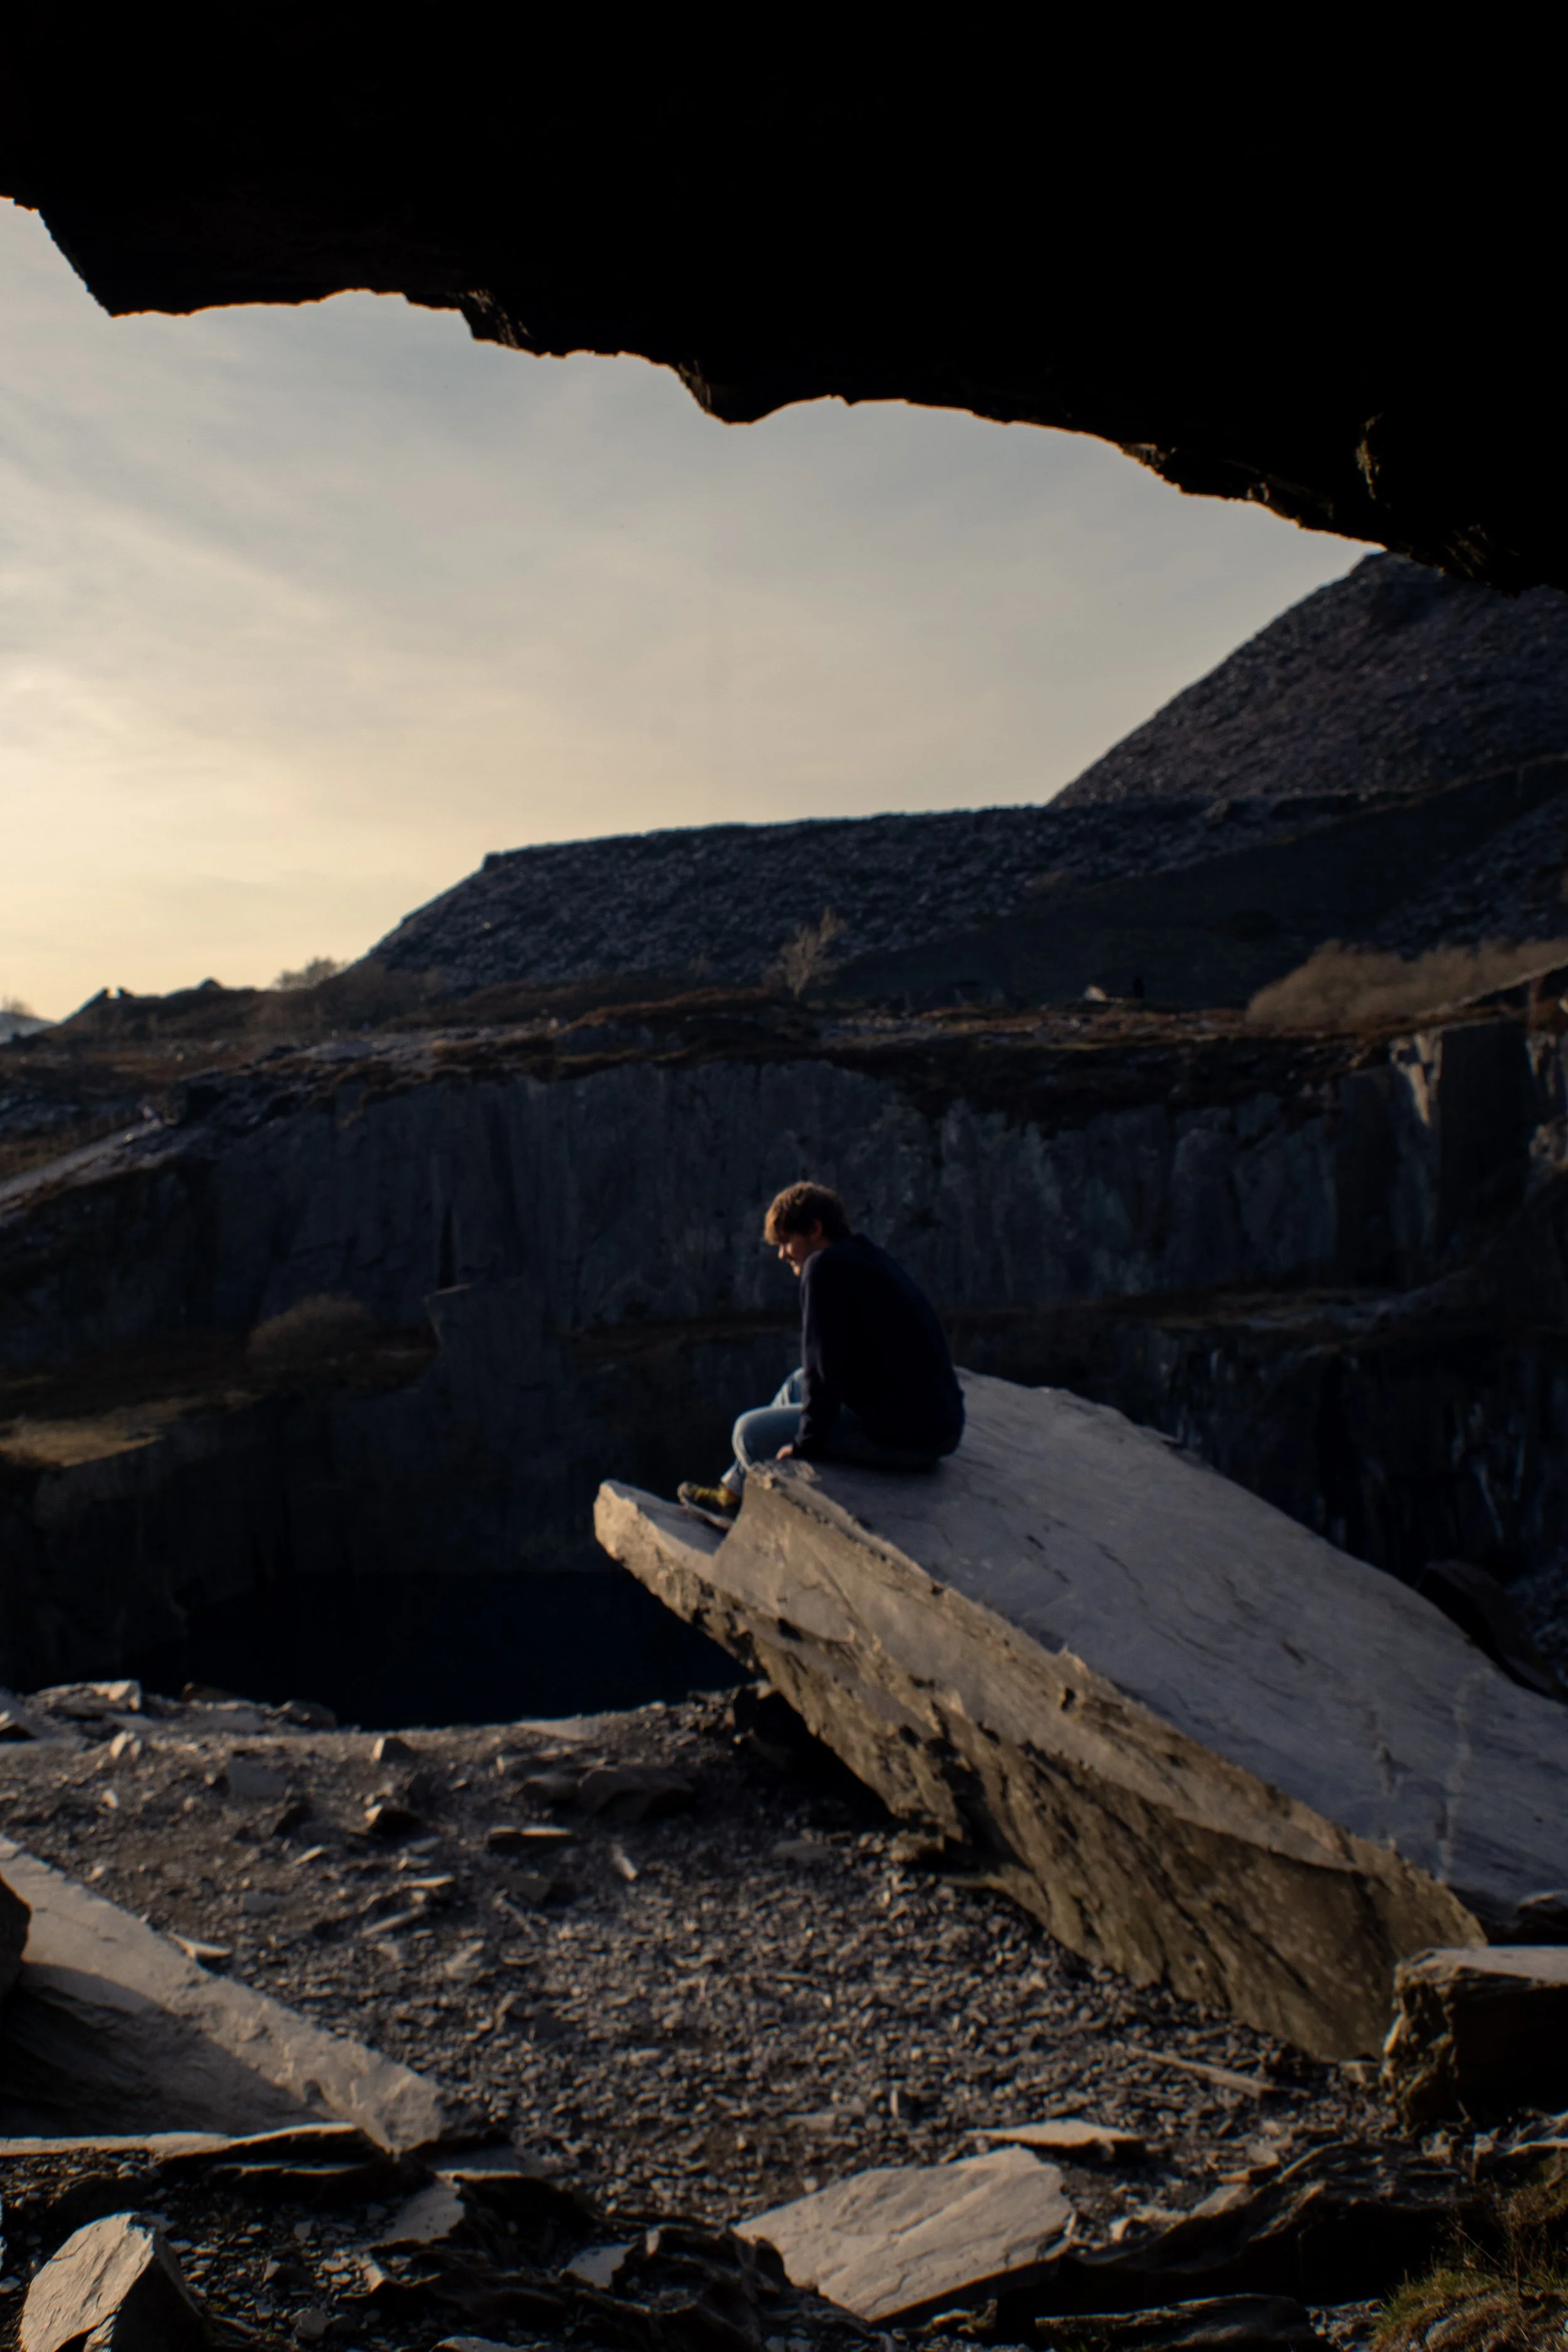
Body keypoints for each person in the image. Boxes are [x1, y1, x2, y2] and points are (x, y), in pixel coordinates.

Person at [678, 1181, 965, 1521]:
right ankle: (732, 1494)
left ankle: (751, 1514)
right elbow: (824, 1372)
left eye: (786, 1242)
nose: (782, 1254)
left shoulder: (823, 1267)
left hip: (909, 1441)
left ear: (815, 1229)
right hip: (937, 1427)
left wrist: (805, 1447)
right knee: (795, 1384)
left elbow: (823, 1368)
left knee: (749, 1434)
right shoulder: (868, 1256)